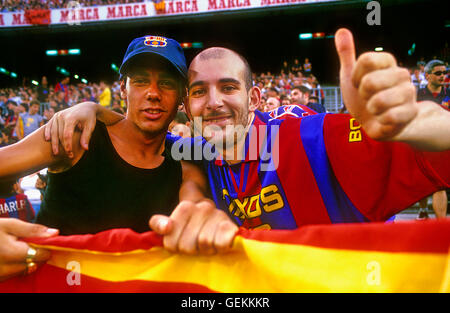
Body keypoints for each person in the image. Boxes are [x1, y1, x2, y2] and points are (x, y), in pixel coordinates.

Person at [51, 29, 450, 231]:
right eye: (199, 92)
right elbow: (141, 137)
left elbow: (432, 153)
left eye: (228, 87)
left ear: (255, 97)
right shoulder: (191, 153)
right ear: (187, 108)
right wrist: (92, 109)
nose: (214, 102)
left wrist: (419, 125)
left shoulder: (312, 142)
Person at [0, 34, 237, 281]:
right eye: (141, 81)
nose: (153, 93)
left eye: (166, 83)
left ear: (181, 98)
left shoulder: (183, 161)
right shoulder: (77, 135)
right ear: (123, 88)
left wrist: (204, 218)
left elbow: (194, 204)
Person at [416, 59, 449, 219]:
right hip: (421, 144)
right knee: (422, 183)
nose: (443, 76)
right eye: (438, 73)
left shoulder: (448, 94)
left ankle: (441, 225)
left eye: (444, 72)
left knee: (439, 184)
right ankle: (422, 211)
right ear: (427, 76)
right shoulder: (416, 94)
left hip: (443, 145)